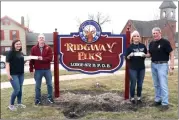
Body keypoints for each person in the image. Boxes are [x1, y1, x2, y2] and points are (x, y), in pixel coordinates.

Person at [147, 27, 174, 111]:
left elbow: (172, 54)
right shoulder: (151, 43)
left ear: (160, 33)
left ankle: (165, 103)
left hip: (162, 65)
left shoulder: (165, 42)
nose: (155, 34)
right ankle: (158, 100)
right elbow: (149, 55)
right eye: (153, 33)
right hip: (153, 65)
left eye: (156, 33)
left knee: (163, 84)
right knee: (156, 84)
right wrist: (140, 54)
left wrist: (171, 66)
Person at [29, 33, 54, 105]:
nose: (41, 39)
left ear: (44, 39)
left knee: (49, 84)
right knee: (37, 86)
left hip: (47, 70)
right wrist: (31, 69)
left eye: (42, 38)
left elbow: (50, 58)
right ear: (38, 39)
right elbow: (31, 60)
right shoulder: (33, 48)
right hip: (38, 70)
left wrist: (42, 58)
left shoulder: (48, 48)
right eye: (40, 38)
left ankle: (50, 98)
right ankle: (37, 100)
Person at [126, 30, 147, 104]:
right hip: (133, 68)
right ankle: (132, 97)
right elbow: (126, 58)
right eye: (134, 36)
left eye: (137, 36)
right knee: (133, 83)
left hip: (142, 68)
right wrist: (129, 55)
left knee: (140, 83)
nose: (136, 37)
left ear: (139, 37)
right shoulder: (130, 47)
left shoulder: (143, 46)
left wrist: (144, 55)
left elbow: (146, 55)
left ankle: (139, 97)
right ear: (132, 38)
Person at [6, 40, 26, 111]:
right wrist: (8, 75)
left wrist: (27, 60)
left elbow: (21, 63)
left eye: (19, 44)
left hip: (21, 74)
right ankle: (11, 105)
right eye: (17, 44)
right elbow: (7, 64)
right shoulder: (10, 53)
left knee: (20, 89)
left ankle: (19, 103)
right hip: (13, 74)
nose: (18, 45)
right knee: (17, 89)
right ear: (13, 45)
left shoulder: (21, 53)